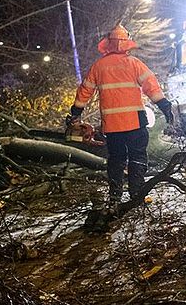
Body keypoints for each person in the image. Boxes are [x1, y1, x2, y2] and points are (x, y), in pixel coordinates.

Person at [66, 25, 174, 208]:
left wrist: (76, 112)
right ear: (126, 44)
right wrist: (164, 105)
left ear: (108, 44)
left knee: (116, 159)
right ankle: (137, 194)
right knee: (137, 156)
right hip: (135, 122)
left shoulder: (98, 67)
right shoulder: (134, 63)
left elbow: (85, 91)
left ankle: (115, 196)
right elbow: (151, 86)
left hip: (112, 126)